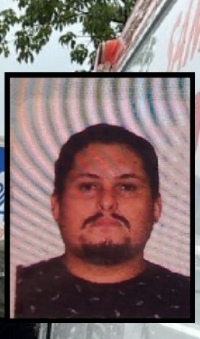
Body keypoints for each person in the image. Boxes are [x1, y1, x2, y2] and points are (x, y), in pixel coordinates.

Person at [13, 123, 190, 319]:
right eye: (88, 187)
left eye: (127, 187)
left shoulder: (186, 299)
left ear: (156, 207)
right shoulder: (16, 291)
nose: (107, 202)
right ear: (57, 206)